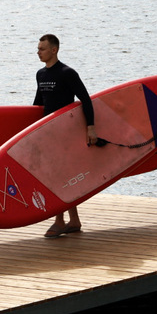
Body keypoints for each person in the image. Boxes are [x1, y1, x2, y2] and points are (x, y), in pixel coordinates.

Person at [34, 34, 98, 237]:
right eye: (38, 48)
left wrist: (90, 127)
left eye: (42, 49)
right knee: (62, 176)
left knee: (58, 177)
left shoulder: (67, 73)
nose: (38, 52)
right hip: (48, 133)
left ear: (54, 50)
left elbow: (86, 100)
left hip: (65, 133)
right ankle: (74, 221)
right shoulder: (40, 75)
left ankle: (60, 221)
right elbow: (38, 105)